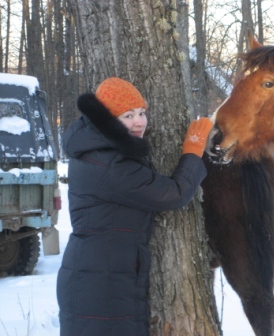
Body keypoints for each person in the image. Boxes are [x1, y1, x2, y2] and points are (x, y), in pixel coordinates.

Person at [57, 77, 213, 336]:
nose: (139, 122)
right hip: (100, 283)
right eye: (127, 116)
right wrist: (192, 151)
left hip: (100, 272)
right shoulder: (110, 165)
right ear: (107, 121)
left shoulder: (98, 150)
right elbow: (173, 194)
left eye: (142, 113)